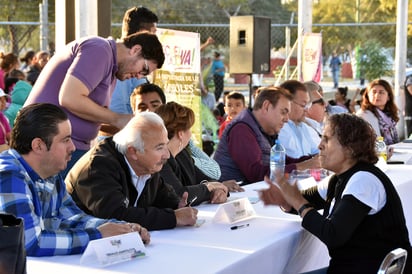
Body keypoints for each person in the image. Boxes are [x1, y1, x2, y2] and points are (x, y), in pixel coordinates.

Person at [259, 113, 412, 273]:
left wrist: (298, 202)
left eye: (327, 139)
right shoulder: (338, 179)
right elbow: (304, 200)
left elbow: (333, 235)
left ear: (350, 148)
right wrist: (284, 200)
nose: (320, 146)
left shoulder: (364, 180)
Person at [0, 103, 150, 257]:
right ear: (38, 145)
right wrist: (98, 235)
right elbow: (28, 242)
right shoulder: (8, 176)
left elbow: (71, 217)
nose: (72, 147)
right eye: (65, 140)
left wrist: (120, 228)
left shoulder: (49, 173)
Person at [24, 31, 165, 177]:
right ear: (135, 50)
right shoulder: (99, 50)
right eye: (144, 69)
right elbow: (69, 97)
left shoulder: (112, 68)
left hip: (64, 147)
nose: (139, 76)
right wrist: (117, 118)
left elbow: (92, 114)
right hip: (48, 146)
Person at [66, 111, 198, 231]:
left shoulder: (147, 165)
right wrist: (173, 217)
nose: (167, 155)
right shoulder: (98, 167)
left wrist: (177, 205)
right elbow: (116, 217)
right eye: (159, 147)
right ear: (133, 152)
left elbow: (161, 196)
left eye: (165, 145)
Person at [130, 83, 222, 180]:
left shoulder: (180, 139)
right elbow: (178, 191)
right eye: (142, 108)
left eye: (155, 105)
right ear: (133, 113)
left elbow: (214, 171)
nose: (149, 111)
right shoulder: (130, 145)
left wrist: (215, 187)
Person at [156, 102, 241, 206]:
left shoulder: (182, 153)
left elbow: (204, 178)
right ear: (180, 133)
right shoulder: (160, 160)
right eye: (189, 129)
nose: (190, 134)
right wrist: (209, 188)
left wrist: (218, 189)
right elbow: (179, 196)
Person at [214, 86, 292, 184]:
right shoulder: (241, 130)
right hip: (236, 196)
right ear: (266, 106)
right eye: (283, 112)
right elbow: (256, 174)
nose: (287, 119)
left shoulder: (260, 128)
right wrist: (300, 167)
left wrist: (309, 162)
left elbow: (283, 161)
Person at [108, 6, 158, 116]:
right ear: (143, 33)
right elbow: (115, 112)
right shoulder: (121, 66)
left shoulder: (134, 61)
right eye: (153, 33)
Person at [278, 80, 321, 172]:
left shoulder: (303, 127)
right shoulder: (279, 127)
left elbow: (317, 152)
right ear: (288, 103)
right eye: (303, 105)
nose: (306, 110)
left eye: (308, 105)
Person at [356, 79, 399, 145]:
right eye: (374, 92)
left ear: (388, 97)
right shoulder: (364, 114)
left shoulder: (389, 115)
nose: (377, 95)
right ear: (368, 95)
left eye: (381, 92)